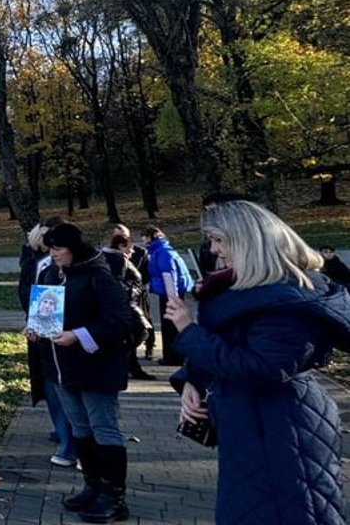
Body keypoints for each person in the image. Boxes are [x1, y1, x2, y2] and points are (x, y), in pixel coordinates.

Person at [164, 199, 350, 525]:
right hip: (254, 424)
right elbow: (232, 345)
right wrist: (192, 379)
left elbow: (262, 367)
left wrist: (187, 331)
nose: (214, 250)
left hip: (282, 429)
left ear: (248, 240)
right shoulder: (250, 289)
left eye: (220, 240)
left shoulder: (287, 299)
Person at [38, 222, 134, 523]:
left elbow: (121, 320)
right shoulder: (53, 273)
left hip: (96, 366)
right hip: (61, 366)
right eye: (50, 249)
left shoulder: (98, 275)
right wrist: (36, 327)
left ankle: (114, 496)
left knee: (103, 426)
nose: (53, 255)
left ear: (74, 248)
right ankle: (92, 486)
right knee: (79, 427)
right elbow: (45, 310)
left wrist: (79, 335)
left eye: (58, 249)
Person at [19, 219, 76, 467]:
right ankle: (66, 438)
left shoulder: (74, 265)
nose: (52, 250)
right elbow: (28, 292)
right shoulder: (38, 262)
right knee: (52, 387)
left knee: (69, 390)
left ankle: (75, 443)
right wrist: (34, 321)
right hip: (44, 334)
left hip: (70, 335)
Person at [100, 233, 154, 380]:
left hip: (127, 301)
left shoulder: (110, 258)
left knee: (130, 334)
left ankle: (130, 366)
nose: (133, 251)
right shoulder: (118, 260)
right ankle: (119, 362)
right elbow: (118, 283)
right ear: (121, 247)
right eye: (130, 248)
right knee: (141, 330)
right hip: (126, 302)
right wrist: (133, 290)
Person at [140, 226, 193, 366]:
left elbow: (168, 275)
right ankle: (173, 356)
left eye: (144, 238)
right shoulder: (162, 250)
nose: (143, 241)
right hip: (168, 292)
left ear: (151, 237)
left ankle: (173, 357)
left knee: (170, 326)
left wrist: (172, 297)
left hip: (169, 294)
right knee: (170, 325)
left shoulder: (161, 252)